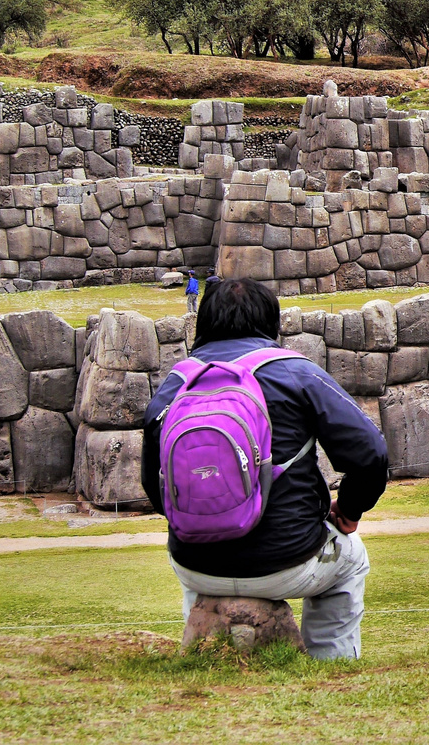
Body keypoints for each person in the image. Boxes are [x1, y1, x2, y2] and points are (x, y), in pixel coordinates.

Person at [141, 277, 389, 660]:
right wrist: (350, 509)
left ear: (203, 323)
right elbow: (370, 453)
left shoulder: (176, 384)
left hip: (196, 563)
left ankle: (207, 644)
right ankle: (332, 662)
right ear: (273, 324)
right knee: (352, 558)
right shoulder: (295, 372)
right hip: (290, 558)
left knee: (193, 561)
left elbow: (155, 486)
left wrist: (203, 522)